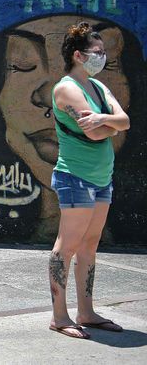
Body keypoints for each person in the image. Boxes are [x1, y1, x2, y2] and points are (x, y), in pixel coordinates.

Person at [47, 22, 130, 339]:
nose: (103, 56)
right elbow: (95, 132)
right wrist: (108, 124)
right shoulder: (67, 88)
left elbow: (124, 121)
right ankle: (59, 316)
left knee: (90, 245)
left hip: (101, 178)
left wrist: (106, 120)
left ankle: (86, 311)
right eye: (98, 52)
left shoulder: (99, 87)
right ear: (79, 55)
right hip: (76, 178)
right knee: (66, 246)